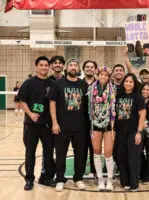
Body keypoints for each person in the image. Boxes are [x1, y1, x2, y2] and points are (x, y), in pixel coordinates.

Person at [49, 58, 89, 191]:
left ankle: (78, 178)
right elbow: (52, 103)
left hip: (80, 127)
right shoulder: (58, 83)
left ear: (78, 69)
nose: (73, 67)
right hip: (62, 126)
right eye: (71, 65)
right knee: (61, 154)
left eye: (75, 65)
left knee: (80, 154)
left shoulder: (84, 85)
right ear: (66, 68)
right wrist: (54, 122)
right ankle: (60, 178)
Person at [18, 56, 55, 191]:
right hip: (31, 124)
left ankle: (48, 178)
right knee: (30, 153)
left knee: (48, 153)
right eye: (41, 65)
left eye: (46, 65)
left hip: (47, 125)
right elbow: (21, 100)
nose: (44, 67)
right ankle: (29, 179)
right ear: (36, 66)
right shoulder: (29, 83)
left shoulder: (52, 83)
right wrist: (30, 114)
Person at [115, 73, 146, 191]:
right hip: (120, 131)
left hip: (134, 131)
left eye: (131, 82)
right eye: (126, 81)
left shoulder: (138, 97)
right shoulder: (118, 95)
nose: (128, 83)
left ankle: (134, 184)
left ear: (134, 84)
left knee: (133, 158)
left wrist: (139, 132)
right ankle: (125, 182)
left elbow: (142, 115)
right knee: (121, 157)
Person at [88, 66, 116, 191]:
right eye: (101, 74)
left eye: (106, 75)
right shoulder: (91, 88)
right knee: (96, 151)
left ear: (109, 77)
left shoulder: (113, 89)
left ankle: (109, 179)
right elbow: (88, 107)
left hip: (109, 124)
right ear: (97, 75)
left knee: (108, 152)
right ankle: (100, 179)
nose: (103, 77)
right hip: (95, 124)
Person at [38, 55, 65, 186]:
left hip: (64, 123)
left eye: (60, 63)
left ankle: (59, 175)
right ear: (51, 66)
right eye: (55, 63)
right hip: (48, 123)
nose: (58, 65)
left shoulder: (67, 80)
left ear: (63, 66)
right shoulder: (46, 81)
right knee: (47, 150)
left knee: (61, 151)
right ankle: (45, 174)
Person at [82, 60, 98, 178]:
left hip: (96, 121)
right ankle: (81, 172)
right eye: (87, 67)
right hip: (80, 122)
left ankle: (95, 171)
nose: (89, 69)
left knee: (95, 147)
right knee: (81, 147)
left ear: (95, 69)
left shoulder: (99, 84)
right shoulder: (78, 83)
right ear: (83, 69)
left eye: (92, 67)